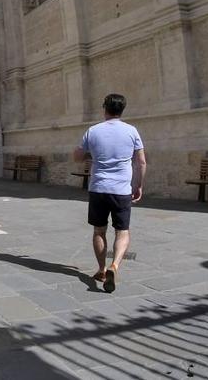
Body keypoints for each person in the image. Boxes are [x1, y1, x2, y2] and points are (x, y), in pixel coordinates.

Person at [72, 93, 146, 293]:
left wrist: (90, 152)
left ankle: (102, 269)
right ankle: (115, 266)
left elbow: (77, 157)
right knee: (122, 231)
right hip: (122, 189)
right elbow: (141, 162)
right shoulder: (132, 131)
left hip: (98, 188)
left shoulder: (93, 131)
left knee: (99, 231)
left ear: (104, 108)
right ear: (122, 110)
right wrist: (138, 185)